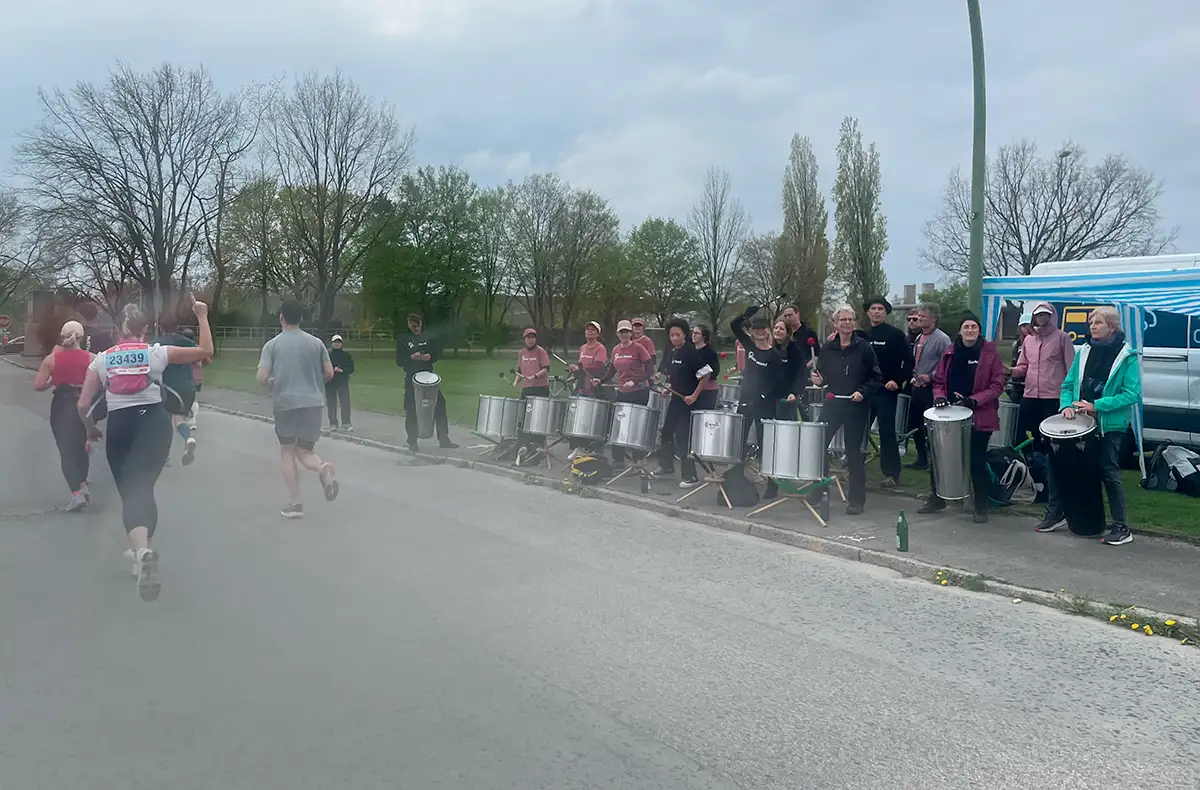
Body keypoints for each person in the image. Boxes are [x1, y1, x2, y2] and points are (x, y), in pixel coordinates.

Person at [77, 300, 213, 602]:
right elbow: (205, 352)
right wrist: (201, 316)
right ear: (145, 330)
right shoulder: (156, 353)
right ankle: (142, 553)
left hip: (121, 426)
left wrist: (90, 429)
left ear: (116, 331)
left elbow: (84, 404)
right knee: (143, 489)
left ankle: (141, 552)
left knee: (130, 492)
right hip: (154, 424)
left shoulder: (101, 360)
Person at [1053, 306, 1140, 546]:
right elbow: (1068, 384)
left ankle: (1122, 526)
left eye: (1098, 322)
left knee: (1108, 472)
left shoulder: (1127, 356)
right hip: (1081, 424)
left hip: (1109, 424)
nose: (1092, 326)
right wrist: (1066, 406)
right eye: (1091, 322)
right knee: (1079, 470)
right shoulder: (1084, 351)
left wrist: (1097, 405)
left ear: (1111, 326)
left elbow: (1131, 393)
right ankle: (1084, 520)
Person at [257, 300, 340, 519]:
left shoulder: (272, 345)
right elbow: (329, 373)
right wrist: (315, 383)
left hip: (285, 403)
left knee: (287, 451)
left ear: (281, 317)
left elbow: (262, 377)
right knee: (306, 451)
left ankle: (295, 504)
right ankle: (322, 468)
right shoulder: (316, 343)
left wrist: (272, 383)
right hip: (313, 402)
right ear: (301, 318)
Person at [920, 313, 1005, 523]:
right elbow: (938, 381)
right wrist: (939, 397)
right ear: (960, 330)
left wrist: (974, 400)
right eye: (966, 327)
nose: (970, 330)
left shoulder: (990, 353)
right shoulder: (950, 352)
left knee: (976, 460)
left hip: (980, 414)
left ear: (979, 330)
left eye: (973, 327)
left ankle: (980, 504)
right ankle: (938, 498)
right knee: (940, 456)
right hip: (950, 414)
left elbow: (997, 385)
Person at [811, 306, 882, 515]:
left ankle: (856, 500)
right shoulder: (827, 348)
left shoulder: (864, 348)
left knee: (854, 453)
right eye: (842, 320)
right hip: (833, 403)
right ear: (835, 323)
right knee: (818, 445)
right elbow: (822, 375)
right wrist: (819, 381)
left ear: (855, 323)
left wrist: (862, 391)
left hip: (855, 406)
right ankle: (818, 490)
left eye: (850, 320)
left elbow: (876, 377)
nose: (846, 323)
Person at [1012, 302, 1075, 531]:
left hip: (1053, 396)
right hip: (1030, 395)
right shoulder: (1028, 340)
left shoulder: (1062, 338)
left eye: (1045, 315)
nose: (1041, 319)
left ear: (1052, 316)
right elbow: (1023, 366)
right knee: (1025, 438)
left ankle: (1053, 491)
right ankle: (1037, 481)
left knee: (1052, 446)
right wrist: (1009, 370)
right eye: (1038, 315)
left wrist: (1070, 398)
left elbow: (1071, 369)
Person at [730, 306, 805, 499]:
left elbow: (776, 382)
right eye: (755, 330)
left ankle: (772, 485)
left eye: (762, 331)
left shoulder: (774, 355)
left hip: (764, 404)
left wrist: (762, 396)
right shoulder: (750, 347)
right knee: (740, 441)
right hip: (745, 401)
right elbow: (734, 326)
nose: (759, 334)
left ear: (767, 332)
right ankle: (737, 479)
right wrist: (746, 314)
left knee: (766, 445)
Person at [33, 320, 93, 511]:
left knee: (66, 451)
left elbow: (38, 385)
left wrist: (53, 380)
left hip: (62, 405)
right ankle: (83, 484)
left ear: (62, 335)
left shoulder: (51, 359)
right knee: (80, 447)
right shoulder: (91, 358)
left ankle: (76, 494)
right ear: (82, 337)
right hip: (84, 406)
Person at [862, 296, 914, 488]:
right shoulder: (862, 335)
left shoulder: (896, 335)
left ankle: (892, 473)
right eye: (873, 308)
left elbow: (909, 361)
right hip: (866, 390)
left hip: (886, 390)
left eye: (880, 309)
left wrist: (898, 380)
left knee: (886, 431)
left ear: (886, 312)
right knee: (860, 429)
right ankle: (856, 468)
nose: (876, 312)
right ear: (867, 312)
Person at [653, 318, 711, 488]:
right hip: (676, 399)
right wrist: (668, 388)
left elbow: (706, 374)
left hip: (689, 402)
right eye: (672, 335)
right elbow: (675, 376)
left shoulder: (690, 352)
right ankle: (666, 466)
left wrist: (694, 395)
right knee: (666, 433)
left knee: (683, 438)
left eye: (678, 335)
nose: (674, 338)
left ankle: (690, 476)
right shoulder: (673, 352)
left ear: (685, 335)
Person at [601, 320, 654, 470]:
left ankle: (639, 460)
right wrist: (601, 379)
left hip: (639, 392)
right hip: (623, 391)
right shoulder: (616, 350)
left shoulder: (639, 348)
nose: (624, 334)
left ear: (631, 333)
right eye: (621, 332)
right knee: (619, 425)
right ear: (617, 334)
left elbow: (650, 370)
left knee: (636, 426)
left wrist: (635, 381)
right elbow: (612, 370)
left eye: (627, 331)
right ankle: (618, 460)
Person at [907, 303, 952, 470]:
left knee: (930, 427)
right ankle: (921, 457)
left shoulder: (942, 339)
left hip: (933, 389)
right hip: (917, 386)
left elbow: (947, 364)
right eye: (918, 316)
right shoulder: (919, 338)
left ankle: (936, 460)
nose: (919, 319)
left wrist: (931, 376)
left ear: (934, 319)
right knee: (915, 424)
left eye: (923, 316)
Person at [153, 314, 200, 467]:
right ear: (178, 328)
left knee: (164, 421)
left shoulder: (156, 344)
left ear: (159, 327)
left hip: (167, 388)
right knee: (179, 419)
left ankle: (164, 455)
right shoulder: (188, 342)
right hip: (187, 387)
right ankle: (188, 439)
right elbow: (204, 359)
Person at [566, 321, 608, 458]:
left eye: (593, 330)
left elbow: (598, 367)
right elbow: (581, 368)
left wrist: (579, 369)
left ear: (598, 333)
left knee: (595, 422)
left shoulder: (600, 348)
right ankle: (580, 448)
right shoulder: (583, 348)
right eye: (587, 329)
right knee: (581, 421)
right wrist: (574, 373)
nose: (589, 332)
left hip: (594, 390)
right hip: (582, 389)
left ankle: (596, 453)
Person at [514, 328, 552, 466]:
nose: (530, 339)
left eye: (533, 337)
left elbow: (546, 368)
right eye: (528, 337)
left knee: (538, 420)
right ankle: (525, 446)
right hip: (527, 388)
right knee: (523, 418)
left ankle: (538, 449)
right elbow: (519, 371)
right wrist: (515, 382)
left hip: (540, 388)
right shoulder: (521, 353)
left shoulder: (540, 351)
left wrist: (535, 376)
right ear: (524, 339)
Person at [326, 334, 355, 431]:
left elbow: (351, 368)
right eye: (335, 342)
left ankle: (346, 422)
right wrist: (332, 369)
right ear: (332, 344)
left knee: (345, 402)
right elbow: (324, 368)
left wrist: (342, 370)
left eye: (339, 342)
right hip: (331, 382)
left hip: (342, 381)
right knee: (331, 403)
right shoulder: (328, 356)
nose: (337, 344)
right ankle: (333, 423)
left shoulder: (346, 355)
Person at [779, 304, 821, 368]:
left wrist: (805, 368)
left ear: (797, 314)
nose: (787, 318)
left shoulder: (809, 333)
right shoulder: (784, 333)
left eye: (790, 315)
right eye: (785, 316)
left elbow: (816, 355)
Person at [690, 324, 721, 411]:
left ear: (703, 336)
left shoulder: (710, 352)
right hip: (692, 389)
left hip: (707, 390)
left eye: (697, 333)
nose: (693, 335)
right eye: (693, 333)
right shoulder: (690, 350)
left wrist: (699, 376)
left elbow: (715, 371)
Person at [1005, 312, 1034, 403]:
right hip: (1017, 384)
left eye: (1027, 325)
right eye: (1023, 326)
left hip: (1031, 384)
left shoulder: (1038, 342)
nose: (1025, 329)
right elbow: (1014, 362)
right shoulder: (1017, 343)